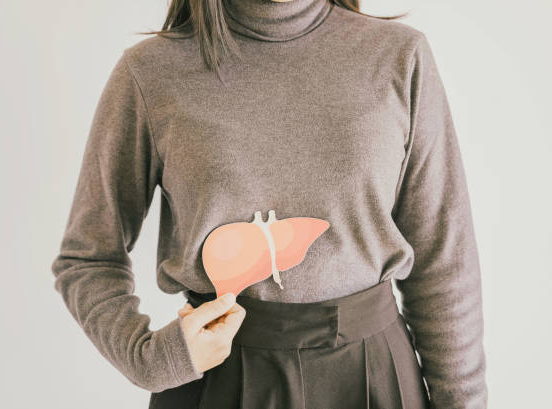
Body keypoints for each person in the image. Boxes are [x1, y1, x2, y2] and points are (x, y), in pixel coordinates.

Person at [50, 0, 488, 407]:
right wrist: (148, 358)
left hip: (373, 376)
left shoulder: (400, 55)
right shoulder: (149, 72)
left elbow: (443, 261)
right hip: (217, 378)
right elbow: (86, 257)